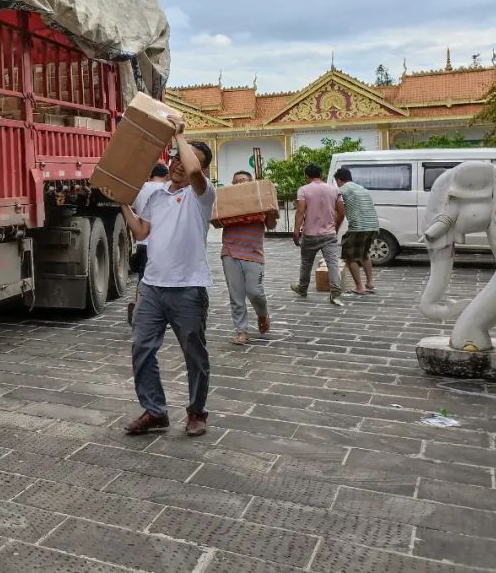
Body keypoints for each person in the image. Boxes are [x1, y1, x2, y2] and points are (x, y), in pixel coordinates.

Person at [120, 119, 215, 438]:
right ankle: (155, 410)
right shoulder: (156, 194)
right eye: (175, 158)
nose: (178, 165)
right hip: (152, 286)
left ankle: (197, 412)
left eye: (187, 161)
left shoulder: (202, 195)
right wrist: (121, 201)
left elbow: (193, 172)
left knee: (194, 353)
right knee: (141, 347)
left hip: (188, 288)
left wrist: (180, 135)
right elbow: (141, 231)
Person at [221, 170, 279, 344]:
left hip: (254, 253)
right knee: (236, 295)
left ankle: (262, 314)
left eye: (244, 180)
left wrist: (271, 212)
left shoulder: (259, 200)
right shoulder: (228, 202)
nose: (240, 184)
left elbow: (271, 225)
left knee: (255, 292)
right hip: (230, 252)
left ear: (251, 182)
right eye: (236, 181)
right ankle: (241, 331)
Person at [291, 163, 345, 305]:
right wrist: (336, 227)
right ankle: (335, 293)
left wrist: (296, 231)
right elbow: (342, 211)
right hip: (329, 234)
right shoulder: (334, 190)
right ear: (321, 174)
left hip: (310, 234)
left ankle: (302, 288)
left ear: (306, 176)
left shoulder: (303, 190)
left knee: (306, 262)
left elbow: (300, 211)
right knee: (332, 263)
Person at [127, 163, 170, 325]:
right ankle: (143, 313)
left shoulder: (140, 189)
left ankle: (140, 309)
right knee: (159, 282)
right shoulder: (166, 189)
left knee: (144, 279)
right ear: (166, 175)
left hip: (142, 241)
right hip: (160, 243)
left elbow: (133, 211)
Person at [333, 167, 379, 294]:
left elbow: (339, 212)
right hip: (373, 226)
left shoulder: (341, 190)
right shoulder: (362, 188)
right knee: (364, 254)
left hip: (358, 227)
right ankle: (370, 282)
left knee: (350, 257)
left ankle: (359, 287)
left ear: (338, 180)